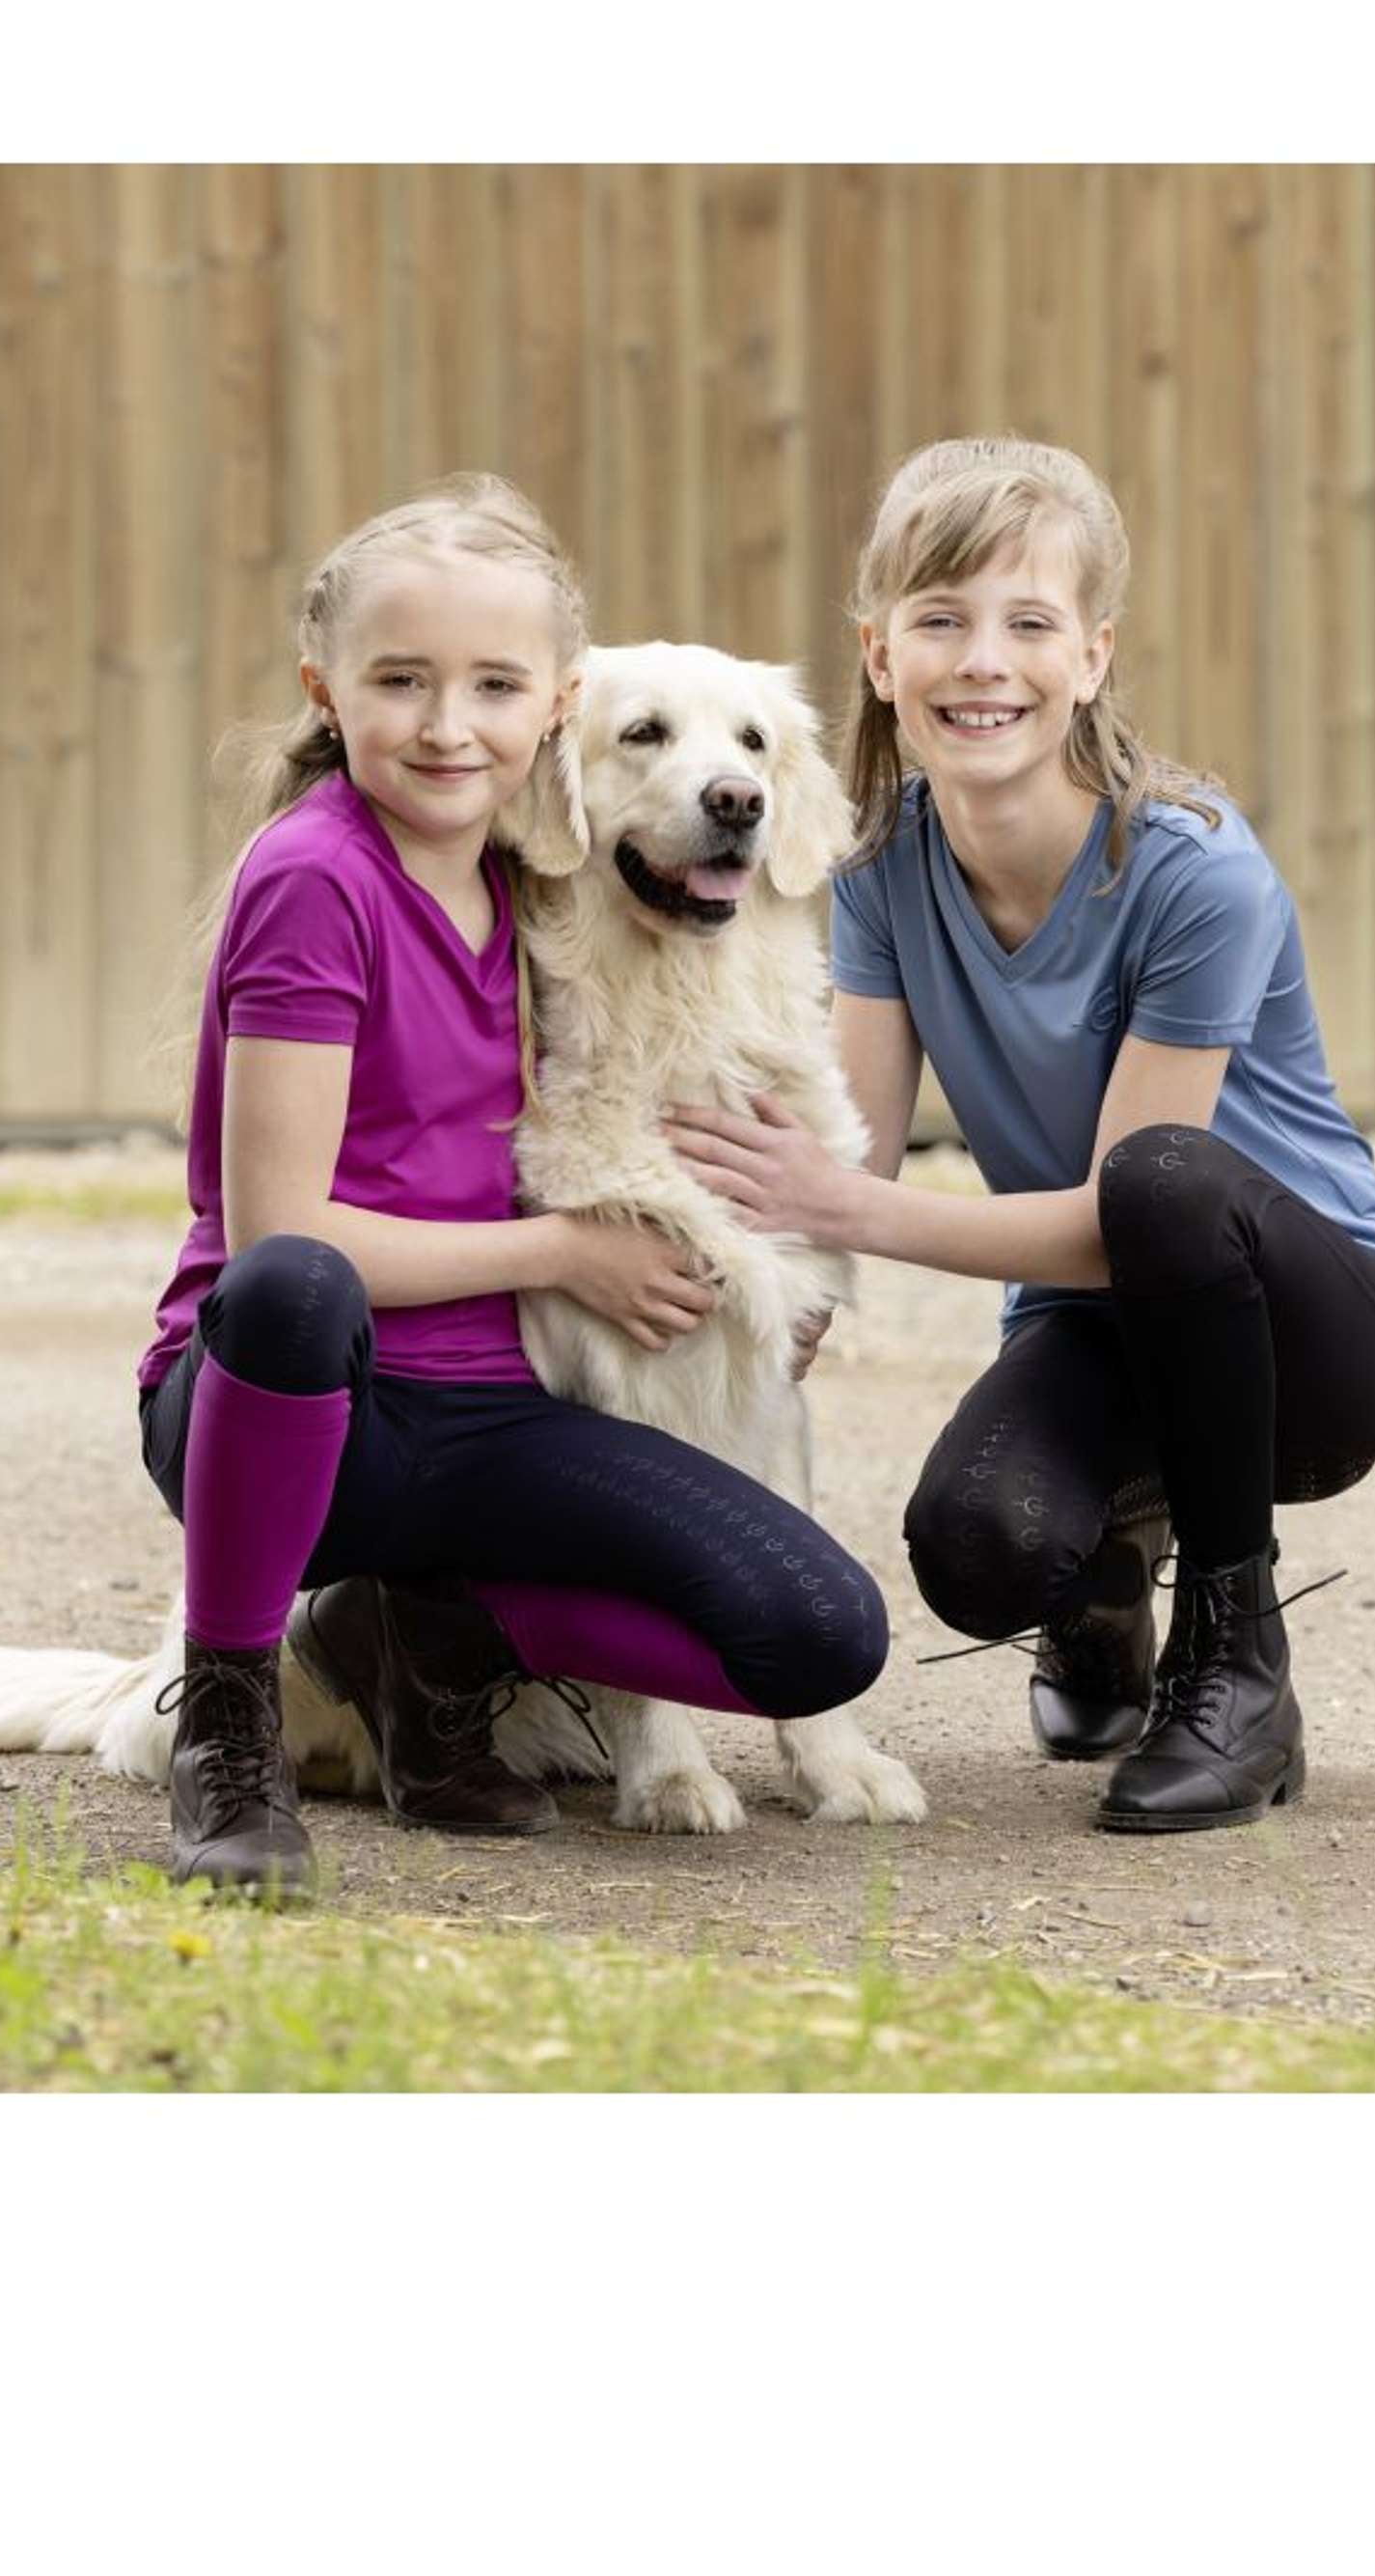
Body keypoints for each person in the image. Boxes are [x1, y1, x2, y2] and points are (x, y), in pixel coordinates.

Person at [665, 436, 1375, 1835]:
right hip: (1106, 1325)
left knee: (1160, 1182)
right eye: (941, 621)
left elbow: (1113, 1217)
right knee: (977, 1547)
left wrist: (840, 1211)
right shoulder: (882, 866)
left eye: (1029, 624)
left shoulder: (1195, 869)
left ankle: (1238, 1671)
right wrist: (758, 1316)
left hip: (1329, 1337)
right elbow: (848, 1152)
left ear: (1091, 658)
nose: (984, 663)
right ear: (879, 654)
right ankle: (1104, 1575)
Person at [139, 476, 887, 1895]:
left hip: (483, 1425)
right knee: (291, 1284)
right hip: (297, 1407)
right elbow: (279, 1235)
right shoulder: (318, 880)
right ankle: (227, 1716)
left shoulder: (523, 899)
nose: (447, 724)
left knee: (818, 1631)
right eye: (402, 681)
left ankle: (421, 1640)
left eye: (493, 685)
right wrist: (567, 1254)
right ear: (326, 688)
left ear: (546, 713)